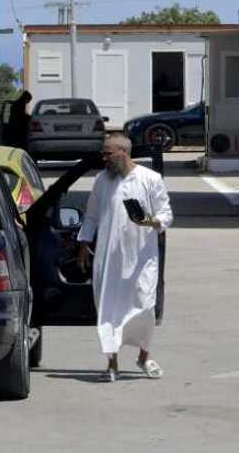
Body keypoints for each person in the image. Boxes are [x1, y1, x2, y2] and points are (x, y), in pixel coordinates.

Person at [77, 132, 173, 382]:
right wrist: (82, 246)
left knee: (145, 306)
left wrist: (149, 222)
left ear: (123, 152)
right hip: (108, 260)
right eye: (103, 153)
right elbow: (92, 216)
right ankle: (112, 363)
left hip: (141, 259)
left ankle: (143, 356)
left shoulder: (150, 179)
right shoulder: (101, 180)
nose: (104, 158)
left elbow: (166, 214)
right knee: (108, 309)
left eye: (108, 153)